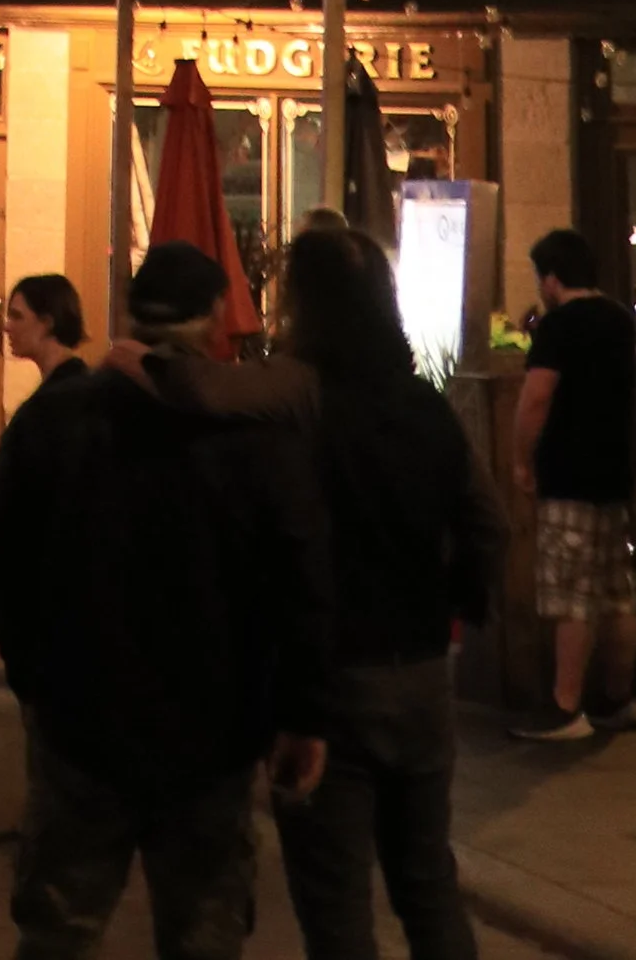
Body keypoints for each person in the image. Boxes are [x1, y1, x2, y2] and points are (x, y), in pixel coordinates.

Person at [0, 236, 332, 959]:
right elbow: (299, 580)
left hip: (81, 719)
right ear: (212, 320)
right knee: (203, 933)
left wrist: (31, 671)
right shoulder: (249, 433)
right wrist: (299, 714)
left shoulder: (57, 418)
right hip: (212, 733)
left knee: (58, 935)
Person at [264, 223, 503, 960]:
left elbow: (286, 550)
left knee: (337, 906)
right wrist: (455, 604)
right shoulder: (426, 409)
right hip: (423, 671)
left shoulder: (300, 411)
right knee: (427, 882)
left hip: (331, 682)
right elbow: (486, 524)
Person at [512, 227, 636, 744]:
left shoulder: (560, 327)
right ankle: (615, 698)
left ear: (551, 277)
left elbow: (536, 399)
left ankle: (566, 707)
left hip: (569, 471)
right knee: (616, 590)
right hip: (616, 471)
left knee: (572, 594)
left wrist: (521, 458)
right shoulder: (620, 320)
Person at [4, 271, 89, 387]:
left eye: (17, 317)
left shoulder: (66, 390)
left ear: (47, 323)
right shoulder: (71, 379)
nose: (6, 327)